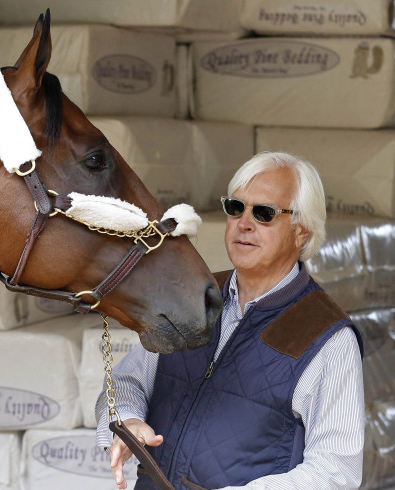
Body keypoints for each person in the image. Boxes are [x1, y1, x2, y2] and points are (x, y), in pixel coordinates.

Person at [95, 151, 364, 489]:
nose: (244, 223)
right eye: (236, 207)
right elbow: (126, 382)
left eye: (264, 213)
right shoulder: (190, 297)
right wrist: (129, 421)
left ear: (302, 233)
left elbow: (337, 471)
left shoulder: (327, 337)